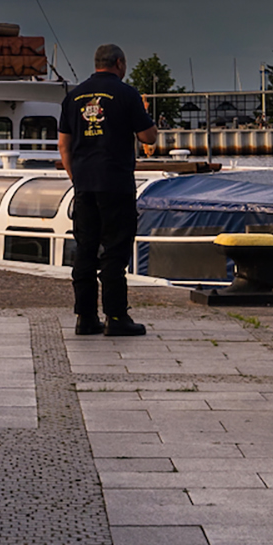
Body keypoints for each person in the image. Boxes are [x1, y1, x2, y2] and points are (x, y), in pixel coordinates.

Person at [59, 43, 157, 338]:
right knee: (114, 251)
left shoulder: (73, 96)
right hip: (115, 183)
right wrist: (146, 115)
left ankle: (85, 318)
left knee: (85, 250)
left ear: (96, 63)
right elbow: (148, 136)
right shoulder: (127, 94)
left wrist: (76, 177)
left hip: (85, 184)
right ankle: (116, 317)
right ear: (119, 63)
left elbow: (64, 144)